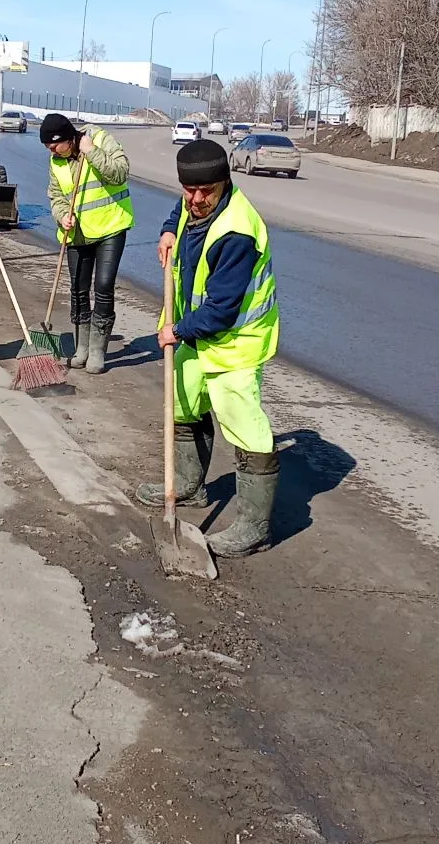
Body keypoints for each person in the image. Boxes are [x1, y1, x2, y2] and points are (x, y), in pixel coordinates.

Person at [136, 138, 280, 557]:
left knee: (243, 422)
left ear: (225, 183)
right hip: (199, 334)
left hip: (236, 340)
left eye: (206, 192)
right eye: (189, 191)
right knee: (182, 398)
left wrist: (176, 330)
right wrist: (167, 230)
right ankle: (188, 485)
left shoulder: (236, 231)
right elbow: (178, 210)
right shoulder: (194, 201)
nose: (196, 200)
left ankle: (254, 526)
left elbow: (221, 310)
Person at [40, 112, 134, 375]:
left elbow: (120, 173)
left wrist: (91, 151)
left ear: (68, 138)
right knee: (78, 290)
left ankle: (97, 351)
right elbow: (56, 196)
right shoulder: (55, 162)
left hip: (110, 228)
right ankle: (81, 349)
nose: (51, 151)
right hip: (78, 234)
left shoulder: (100, 138)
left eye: (54, 145)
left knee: (103, 286)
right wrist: (62, 216)